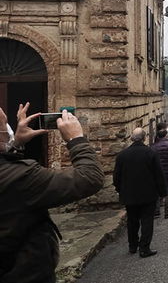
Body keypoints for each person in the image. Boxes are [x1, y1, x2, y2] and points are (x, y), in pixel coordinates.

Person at [0, 104, 103, 283]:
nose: (6, 130)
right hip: (23, 274)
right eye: (3, 125)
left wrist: (14, 144)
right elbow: (89, 178)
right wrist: (76, 139)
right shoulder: (22, 177)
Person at [113, 128, 166, 258]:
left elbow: (116, 177)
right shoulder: (150, 153)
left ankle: (132, 246)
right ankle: (144, 248)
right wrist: (162, 192)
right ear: (144, 138)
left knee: (132, 221)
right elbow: (158, 175)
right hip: (148, 195)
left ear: (132, 138)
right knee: (147, 221)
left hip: (129, 195)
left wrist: (120, 190)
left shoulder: (122, 155)